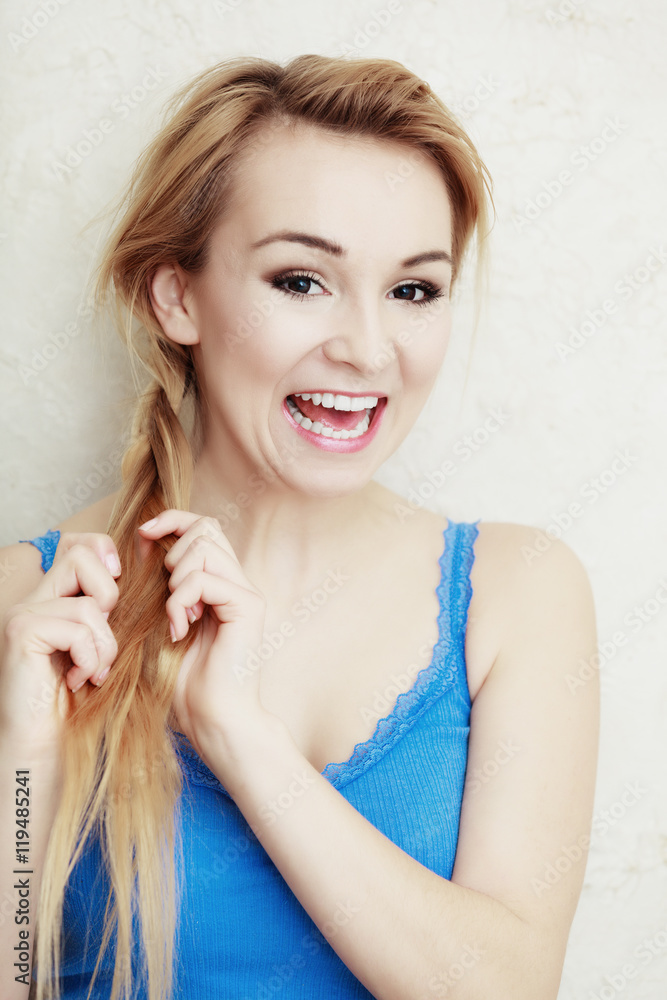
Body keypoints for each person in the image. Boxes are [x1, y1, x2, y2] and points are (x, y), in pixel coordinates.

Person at [0, 53, 599, 1000]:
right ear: (177, 296)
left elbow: (508, 988)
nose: (366, 349)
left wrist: (239, 736)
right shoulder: (26, 603)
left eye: (412, 291)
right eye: (300, 280)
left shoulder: (517, 591)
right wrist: (24, 767)